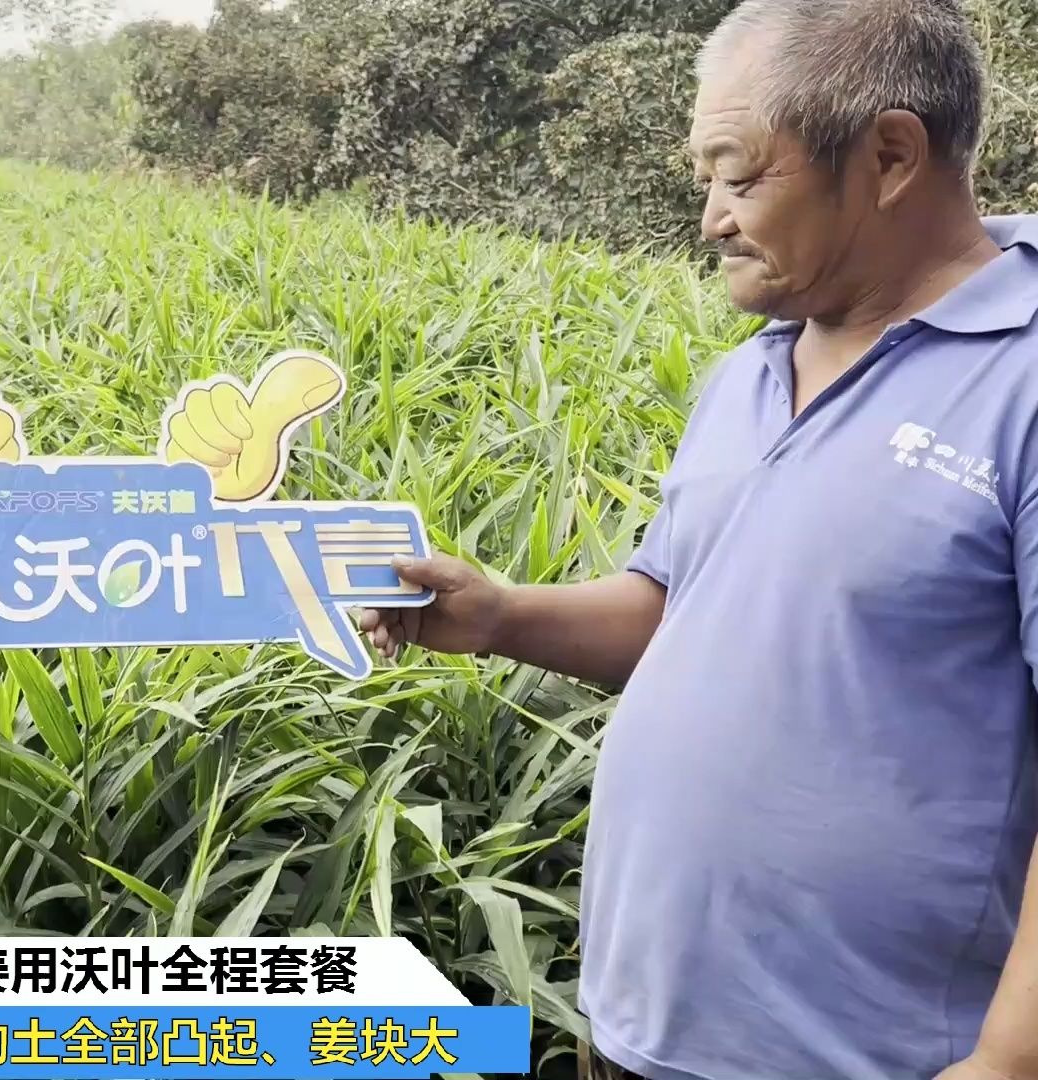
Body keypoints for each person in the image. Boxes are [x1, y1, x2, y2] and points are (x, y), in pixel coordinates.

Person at [361, 0, 1038, 1078]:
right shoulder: (753, 368)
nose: (714, 218)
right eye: (705, 182)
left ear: (891, 155)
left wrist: (1009, 1060)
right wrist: (498, 614)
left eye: (739, 174)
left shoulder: (1023, 374)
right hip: (638, 1030)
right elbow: (679, 610)